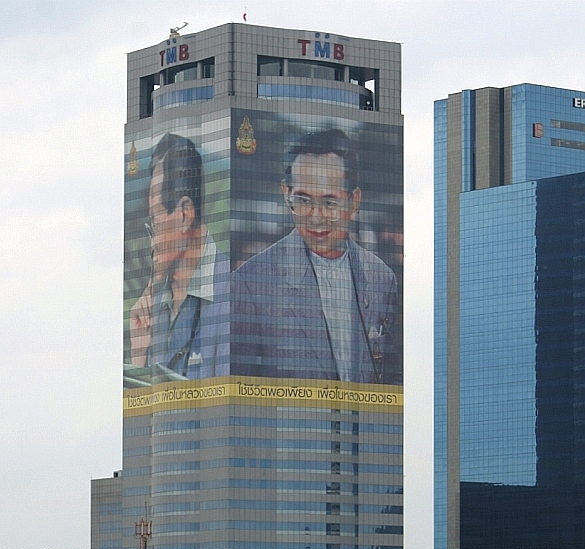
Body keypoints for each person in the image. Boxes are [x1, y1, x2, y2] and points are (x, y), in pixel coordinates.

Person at [232, 128, 400, 384]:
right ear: (286, 194)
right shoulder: (249, 283)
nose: (316, 217)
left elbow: (392, 379)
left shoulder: (382, 278)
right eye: (303, 200)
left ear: (354, 202)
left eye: (330, 203)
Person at [126, 133, 230, 384]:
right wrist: (139, 354)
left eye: (154, 223)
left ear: (184, 215)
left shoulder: (234, 294)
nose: (151, 243)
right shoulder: (155, 306)